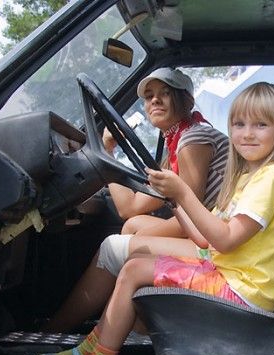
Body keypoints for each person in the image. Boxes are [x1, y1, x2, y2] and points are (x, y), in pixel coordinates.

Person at [31, 82, 274, 355]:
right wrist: (174, 200)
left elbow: (224, 241)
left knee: (134, 271)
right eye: (239, 124)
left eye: (260, 125)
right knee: (135, 264)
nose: (247, 133)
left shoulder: (272, 180)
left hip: (244, 292)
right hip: (231, 273)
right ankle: (88, 352)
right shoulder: (249, 177)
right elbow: (203, 238)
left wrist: (183, 192)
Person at [40, 67, 228, 333]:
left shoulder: (194, 139)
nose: (155, 100)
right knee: (132, 225)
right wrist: (107, 152)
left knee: (114, 247)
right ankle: (114, 323)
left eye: (166, 93)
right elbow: (130, 208)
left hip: (217, 244)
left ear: (187, 101)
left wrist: (135, 240)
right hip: (208, 234)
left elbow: (193, 218)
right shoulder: (177, 144)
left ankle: (59, 330)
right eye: (149, 96)